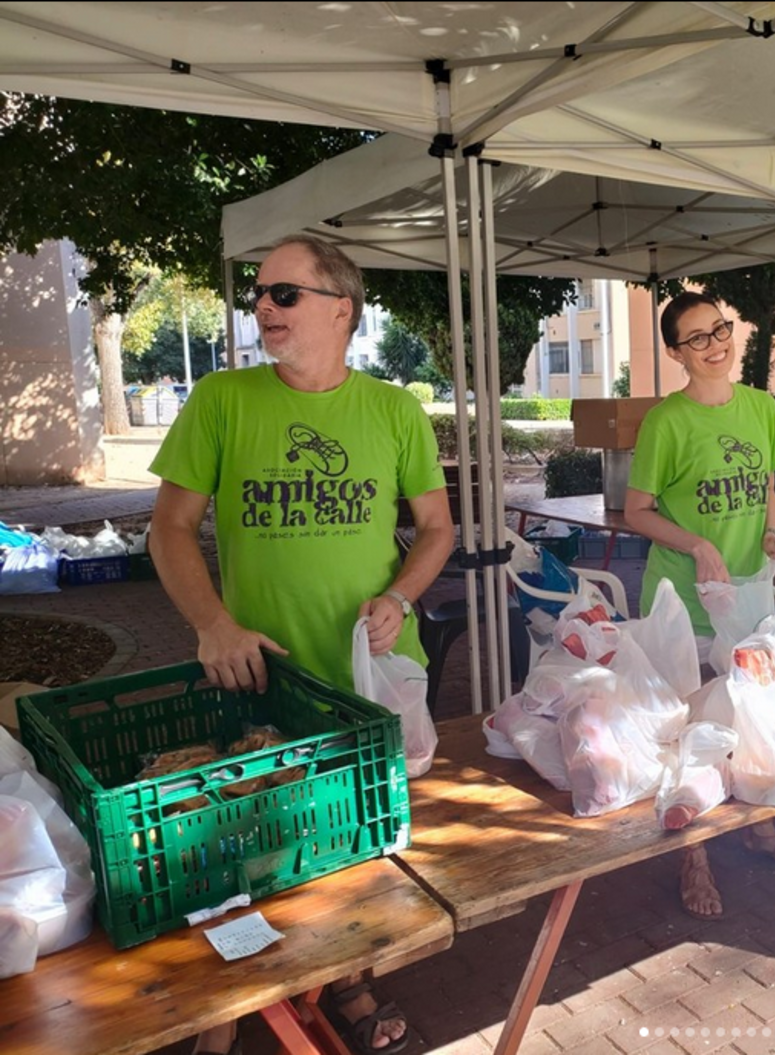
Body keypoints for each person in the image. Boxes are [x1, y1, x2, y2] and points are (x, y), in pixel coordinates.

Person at [149, 235, 455, 1054]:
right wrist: (212, 622)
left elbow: (436, 528)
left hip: (371, 677)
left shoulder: (393, 409)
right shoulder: (222, 399)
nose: (264, 307)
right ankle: (227, 1020)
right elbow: (170, 528)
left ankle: (351, 987)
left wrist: (399, 594)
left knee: (361, 855)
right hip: (266, 677)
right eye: (260, 294)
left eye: (285, 293)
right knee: (247, 858)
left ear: (341, 308)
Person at [624, 290, 775, 920]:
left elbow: (763, 484)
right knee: (693, 729)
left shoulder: (762, 408)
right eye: (698, 338)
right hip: (685, 599)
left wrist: (773, 531)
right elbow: (638, 511)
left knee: (756, 715)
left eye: (721, 330)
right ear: (677, 353)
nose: (716, 346)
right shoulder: (667, 422)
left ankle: (762, 827)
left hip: (749, 595)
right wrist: (697, 543)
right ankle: (695, 856)